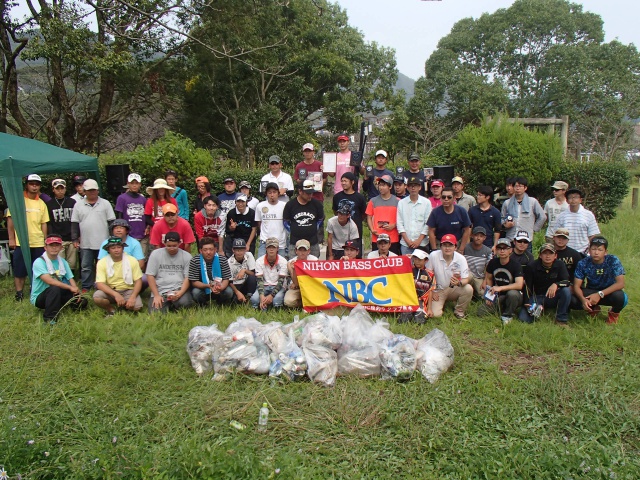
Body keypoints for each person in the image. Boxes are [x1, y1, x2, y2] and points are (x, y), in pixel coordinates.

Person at [6, 174, 49, 301]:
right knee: (19, 269)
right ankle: (19, 293)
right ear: (27, 184)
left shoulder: (42, 203)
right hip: (21, 241)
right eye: (32, 183)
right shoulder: (17, 200)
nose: (34, 186)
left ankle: (34, 290)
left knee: (37, 269)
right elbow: (10, 220)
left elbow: (44, 223)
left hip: (38, 241)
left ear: (40, 186)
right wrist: (11, 238)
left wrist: (45, 241)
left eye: (37, 184)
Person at [71, 179, 116, 292]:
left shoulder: (105, 203)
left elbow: (111, 222)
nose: (92, 192)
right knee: (86, 266)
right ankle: (86, 286)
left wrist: (113, 239)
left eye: (94, 190)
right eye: (89, 190)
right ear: (84, 191)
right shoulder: (78, 205)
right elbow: (74, 223)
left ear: (98, 191)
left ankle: (103, 285)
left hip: (103, 241)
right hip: (86, 242)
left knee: (104, 265)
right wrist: (75, 238)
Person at [31, 234, 86, 323]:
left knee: (82, 302)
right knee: (54, 289)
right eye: (51, 245)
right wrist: (70, 288)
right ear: (45, 247)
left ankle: (60, 305)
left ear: (61, 247)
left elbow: (70, 278)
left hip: (58, 292)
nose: (54, 248)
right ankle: (50, 319)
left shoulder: (62, 261)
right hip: (40, 297)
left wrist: (75, 290)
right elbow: (50, 281)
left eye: (57, 245)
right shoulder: (39, 262)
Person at [573, 236, 627, 324]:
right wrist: (583, 300)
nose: (596, 252)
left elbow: (620, 283)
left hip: (609, 292)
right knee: (573, 298)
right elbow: (576, 286)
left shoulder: (613, 260)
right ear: (589, 251)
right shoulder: (583, 263)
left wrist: (600, 294)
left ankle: (613, 314)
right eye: (593, 249)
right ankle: (594, 309)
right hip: (591, 291)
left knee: (621, 297)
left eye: (600, 250)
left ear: (605, 252)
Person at [519, 243, 571, 325]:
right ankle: (539, 310)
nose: (548, 256)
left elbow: (567, 281)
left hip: (553, 297)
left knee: (566, 291)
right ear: (540, 255)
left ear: (555, 256)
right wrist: (526, 301)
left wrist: (556, 284)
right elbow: (527, 286)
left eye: (551, 253)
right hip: (537, 297)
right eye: (545, 253)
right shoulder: (532, 266)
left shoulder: (560, 264)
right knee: (524, 319)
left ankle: (561, 319)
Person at [93, 236, 143, 316]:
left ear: (123, 248)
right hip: (111, 290)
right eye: (113, 248)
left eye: (119, 247)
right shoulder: (102, 262)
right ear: (108, 250)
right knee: (97, 298)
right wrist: (116, 295)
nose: (116, 250)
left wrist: (133, 296)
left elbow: (138, 280)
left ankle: (124, 305)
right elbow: (100, 284)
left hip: (128, 289)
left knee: (137, 307)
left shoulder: (132, 260)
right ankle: (111, 309)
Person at [145, 231, 194, 314]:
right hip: (160, 290)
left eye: (174, 246)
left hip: (178, 289)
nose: (171, 248)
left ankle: (174, 305)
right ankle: (166, 305)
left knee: (186, 303)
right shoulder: (155, 254)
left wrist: (180, 293)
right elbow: (150, 275)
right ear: (164, 243)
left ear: (179, 243)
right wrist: (156, 295)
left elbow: (187, 277)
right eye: (169, 246)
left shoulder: (187, 256)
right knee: (155, 313)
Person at [477, 238, 524, 324]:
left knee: (512, 294)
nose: (502, 251)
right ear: (496, 250)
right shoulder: (492, 263)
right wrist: (490, 296)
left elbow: (519, 285)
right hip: (498, 295)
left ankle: (508, 315)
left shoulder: (516, 265)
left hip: (515, 295)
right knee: (481, 312)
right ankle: (502, 308)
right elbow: (489, 278)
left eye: (505, 248)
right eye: (499, 248)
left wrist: (501, 288)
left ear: (510, 250)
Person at [428, 234, 474, 319]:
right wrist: (432, 291)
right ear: (440, 247)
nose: (447, 248)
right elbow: (428, 275)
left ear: (455, 247)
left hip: (452, 288)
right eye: (444, 245)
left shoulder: (461, 259)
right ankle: (442, 303)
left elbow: (465, 279)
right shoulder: (433, 256)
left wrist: (459, 283)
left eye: (450, 245)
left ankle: (459, 310)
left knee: (468, 288)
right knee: (435, 315)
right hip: (438, 290)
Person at [283, 180, 325, 258]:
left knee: (313, 266)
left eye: (312, 193)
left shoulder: (317, 204)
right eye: (308, 193)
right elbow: (285, 221)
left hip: (313, 242)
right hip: (295, 243)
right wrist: (293, 230)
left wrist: (315, 228)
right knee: (294, 266)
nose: (310, 195)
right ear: (300, 191)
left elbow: (321, 219)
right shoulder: (290, 205)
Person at [188, 236, 233, 305]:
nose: (208, 252)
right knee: (196, 293)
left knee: (229, 292)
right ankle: (203, 305)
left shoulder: (222, 259)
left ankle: (220, 303)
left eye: (211, 249)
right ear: (200, 250)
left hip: (219, 286)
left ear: (215, 249)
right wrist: (208, 286)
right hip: (203, 287)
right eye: (205, 250)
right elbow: (194, 282)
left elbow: (226, 279)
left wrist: (220, 287)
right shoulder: (195, 260)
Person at [501, 176, 546, 245]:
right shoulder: (507, 203)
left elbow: (542, 217)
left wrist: (533, 229)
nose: (518, 188)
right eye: (516, 186)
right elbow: (502, 218)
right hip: (511, 238)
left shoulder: (532, 202)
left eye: (520, 186)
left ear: (525, 188)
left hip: (526, 239)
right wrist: (505, 225)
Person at [554, 188, 600, 254]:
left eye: (575, 197)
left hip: (584, 252)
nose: (573, 200)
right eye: (570, 198)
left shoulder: (588, 215)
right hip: (566, 252)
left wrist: (590, 249)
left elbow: (592, 235)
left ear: (580, 200)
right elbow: (556, 235)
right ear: (567, 201)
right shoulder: (562, 216)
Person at [427, 187, 472, 253]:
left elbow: (467, 230)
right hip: (440, 244)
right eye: (443, 197)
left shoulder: (461, 211)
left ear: (454, 198)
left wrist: (462, 248)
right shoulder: (435, 212)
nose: (446, 199)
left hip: (457, 244)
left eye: (449, 197)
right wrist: (434, 249)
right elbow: (431, 231)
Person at [332, 172, 367, 256]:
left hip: (355, 231)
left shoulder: (360, 197)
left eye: (346, 181)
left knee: (355, 258)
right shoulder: (337, 197)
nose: (343, 183)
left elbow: (363, 214)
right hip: (340, 231)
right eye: (342, 181)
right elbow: (335, 212)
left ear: (352, 182)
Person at [46, 178, 77, 270]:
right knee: (59, 262)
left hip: (71, 238)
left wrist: (76, 236)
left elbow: (76, 221)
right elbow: (49, 223)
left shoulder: (72, 202)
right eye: (57, 189)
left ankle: (71, 279)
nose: (60, 191)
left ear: (65, 189)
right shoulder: (49, 204)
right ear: (53, 189)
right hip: (58, 238)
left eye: (62, 188)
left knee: (72, 263)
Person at [366, 174, 401, 255]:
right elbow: (369, 217)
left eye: (384, 185)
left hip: (392, 237)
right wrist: (372, 229)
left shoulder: (398, 201)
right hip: (377, 237)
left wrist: (393, 225)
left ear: (390, 187)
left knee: (392, 262)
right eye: (380, 185)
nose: (381, 187)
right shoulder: (373, 201)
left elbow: (401, 218)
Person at [398, 248, 435, 324]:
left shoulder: (430, 274)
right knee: (403, 320)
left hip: (421, 301)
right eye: (415, 258)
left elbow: (430, 291)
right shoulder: (407, 270)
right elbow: (395, 268)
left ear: (426, 260)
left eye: (420, 259)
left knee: (419, 321)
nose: (417, 261)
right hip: (408, 300)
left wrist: (429, 309)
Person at [115, 173, 148, 256]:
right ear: (128, 184)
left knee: (141, 259)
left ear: (140, 184)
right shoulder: (122, 198)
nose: (134, 185)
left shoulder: (143, 199)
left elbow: (146, 215)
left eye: (136, 183)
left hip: (141, 234)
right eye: (132, 183)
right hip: (128, 235)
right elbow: (119, 215)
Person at [397, 176, 431, 255]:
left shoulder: (426, 202)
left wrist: (418, 240)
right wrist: (407, 241)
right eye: (411, 186)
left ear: (419, 187)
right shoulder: (401, 203)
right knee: (407, 267)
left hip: (422, 243)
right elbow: (399, 223)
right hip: (405, 244)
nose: (413, 188)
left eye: (415, 186)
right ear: (407, 187)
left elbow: (428, 223)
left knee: (422, 266)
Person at [251, 237, 288, 310]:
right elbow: (259, 281)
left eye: (273, 247)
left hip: (278, 286)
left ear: (277, 249)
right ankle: (258, 309)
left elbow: (281, 281)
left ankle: (276, 309)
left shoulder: (283, 261)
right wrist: (262, 296)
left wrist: (271, 296)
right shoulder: (259, 261)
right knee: (254, 299)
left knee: (277, 300)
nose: (271, 249)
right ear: (266, 248)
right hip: (264, 285)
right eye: (269, 247)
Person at [255, 182, 286, 257]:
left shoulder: (284, 206)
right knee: (260, 264)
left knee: (281, 266)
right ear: (266, 194)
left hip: (280, 243)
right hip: (265, 241)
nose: (272, 195)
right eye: (269, 193)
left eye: (274, 192)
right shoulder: (260, 206)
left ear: (278, 193)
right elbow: (259, 223)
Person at [284, 239, 319, 308]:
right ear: (296, 251)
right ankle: (303, 303)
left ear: (308, 251)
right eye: (300, 250)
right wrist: (294, 269)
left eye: (304, 250)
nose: (302, 253)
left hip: (310, 287)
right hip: (296, 288)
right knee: (288, 301)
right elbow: (296, 283)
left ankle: (307, 303)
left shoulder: (315, 261)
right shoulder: (291, 263)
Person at [468, 185, 502, 250]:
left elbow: (497, 230)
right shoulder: (472, 210)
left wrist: (495, 245)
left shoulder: (495, 212)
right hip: (474, 243)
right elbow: (469, 228)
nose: (478, 197)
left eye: (480, 195)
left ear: (487, 197)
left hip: (488, 244)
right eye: (477, 195)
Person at [463, 226, 493, 296]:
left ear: (484, 238)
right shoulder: (465, 247)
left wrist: (485, 281)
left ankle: (474, 293)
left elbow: (489, 269)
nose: (478, 238)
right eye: (476, 235)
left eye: (481, 236)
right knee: (468, 279)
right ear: (472, 236)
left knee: (482, 294)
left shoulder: (488, 251)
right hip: (467, 275)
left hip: (479, 277)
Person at [227, 238, 257, 304]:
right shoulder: (229, 262)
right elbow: (229, 281)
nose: (239, 252)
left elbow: (254, 273)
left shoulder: (249, 255)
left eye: (241, 250)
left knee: (252, 278)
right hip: (235, 285)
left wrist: (244, 270)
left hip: (246, 283)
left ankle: (249, 297)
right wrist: (237, 292)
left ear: (245, 250)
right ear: (233, 250)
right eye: (237, 250)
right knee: (235, 302)